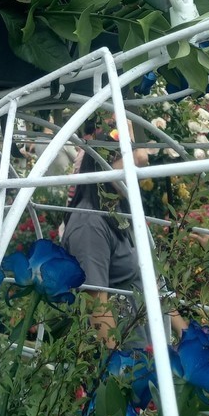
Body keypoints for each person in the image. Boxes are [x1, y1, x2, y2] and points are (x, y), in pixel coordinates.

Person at [61, 147, 146, 346]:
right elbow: (96, 306)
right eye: (129, 165)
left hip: (135, 337)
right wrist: (117, 361)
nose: (136, 175)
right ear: (103, 165)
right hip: (120, 347)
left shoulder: (114, 207)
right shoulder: (90, 224)